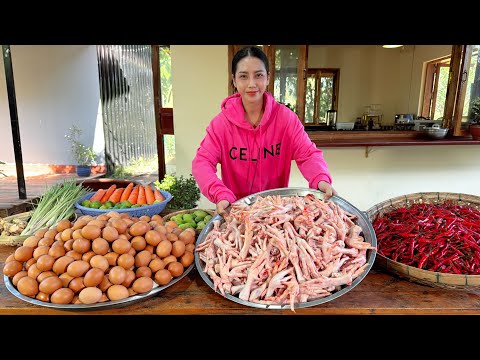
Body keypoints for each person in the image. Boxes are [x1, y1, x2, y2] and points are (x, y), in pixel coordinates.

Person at [192, 46, 337, 216]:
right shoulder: (221, 124)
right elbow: (201, 163)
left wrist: (320, 179)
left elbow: (308, 154)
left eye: (259, 75)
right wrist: (220, 194)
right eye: (243, 76)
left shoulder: (286, 119)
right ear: (234, 80)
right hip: (237, 212)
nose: (252, 84)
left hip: (276, 213)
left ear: (268, 77)